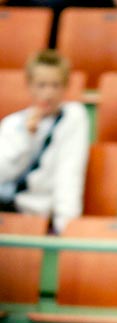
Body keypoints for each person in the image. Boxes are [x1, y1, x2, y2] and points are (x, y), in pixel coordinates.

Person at [0, 48, 88, 234]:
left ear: (66, 86)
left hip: (36, 215)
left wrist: (66, 228)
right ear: (29, 85)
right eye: (41, 85)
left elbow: (70, 175)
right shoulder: (13, 124)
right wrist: (25, 137)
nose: (48, 93)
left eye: (55, 85)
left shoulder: (73, 117)